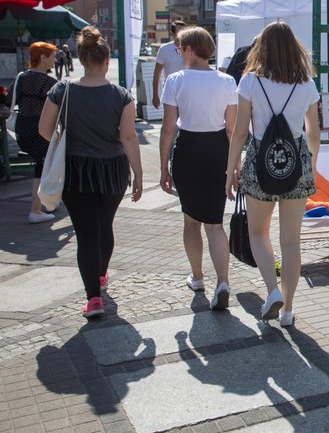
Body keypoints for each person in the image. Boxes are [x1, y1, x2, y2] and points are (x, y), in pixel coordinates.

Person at [38, 26, 143, 318]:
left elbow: (44, 130)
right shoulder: (121, 96)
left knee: (86, 233)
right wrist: (139, 174)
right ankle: (100, 275)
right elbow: (128, 137)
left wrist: (67, 141)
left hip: (76, 169)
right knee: (104, 225)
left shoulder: (62, 90)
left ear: (81, 59)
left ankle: (93, 298)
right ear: (106, 60)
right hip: (113, 169)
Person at [224, 21, 321, 326]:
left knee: (257, 232)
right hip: (296, 164)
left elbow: (239, 133)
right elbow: (314, 133)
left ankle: (272, 290)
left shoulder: (250, 82)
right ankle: (289, 310)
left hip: (258, 163)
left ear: (261, 48)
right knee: (291, 241)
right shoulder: (306, 83)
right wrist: (311, 166)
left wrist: (231, 170)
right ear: (295, 47)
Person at [159, 27, 237, 310]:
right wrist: (234, 165)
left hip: (188, 151)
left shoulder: (176, 80)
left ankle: (197, 276)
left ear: (189, 49)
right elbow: (232, 130)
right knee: (215, 224)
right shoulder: (227, 81)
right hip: (218, 151)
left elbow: (168, 129)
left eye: (179, 50)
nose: (179, 54)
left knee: (191, 221)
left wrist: (163, 167)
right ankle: (223, 281)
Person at [14, 42, 58, 224]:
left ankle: (48, 202)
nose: (55, 60)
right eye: (52, 56)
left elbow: (10, 99)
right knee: (43, 166)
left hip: (22, 128)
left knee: (44, 164)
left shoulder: (21, 77)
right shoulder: (49, 82)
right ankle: (36, 209)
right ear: (42, 57)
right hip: (41, 129)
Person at [152, 20, 188, 109]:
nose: (183, 33)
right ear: (173, 33)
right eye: (179, 30)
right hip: (170, 91)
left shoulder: (192, 48)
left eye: (185, 30)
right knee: (171, 120)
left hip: (188, 91)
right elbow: (157, 73)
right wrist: (155, 95)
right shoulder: (164, 49)